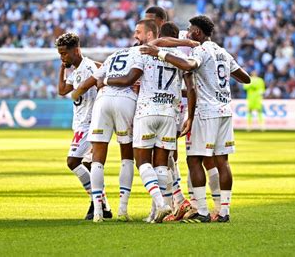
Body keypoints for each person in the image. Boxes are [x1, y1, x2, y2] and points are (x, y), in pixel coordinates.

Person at [139, 15, 251, 223]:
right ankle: (224, 212)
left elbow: (189, 65)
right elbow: (246, 78)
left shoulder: (201, 50)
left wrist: (160, 53)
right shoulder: (223, 52)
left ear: (197, 33)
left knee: (194, 159)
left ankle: (202, 211)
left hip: (205, 112)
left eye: (190, 30)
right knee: (222, 161)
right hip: (225, 111)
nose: (187, 34)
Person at [99, 20, 196, 223]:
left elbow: (132, 77)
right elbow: (189, 86)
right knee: (161, 164)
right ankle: (157, 214)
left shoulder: (144, 53)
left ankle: (161, 205)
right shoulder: (178, 57)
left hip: (146, 111)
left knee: (143, 162)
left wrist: (106, 80)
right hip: (169, 113)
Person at [69, 46, 141, 222]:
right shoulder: (142, 56)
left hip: (103, 102)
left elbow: (89, 82)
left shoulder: (113, 56)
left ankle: (98, 212)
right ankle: (122, 210)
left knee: (97, 160)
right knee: (126, 158)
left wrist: (75, 94)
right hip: (126, 101)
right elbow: (133, 80)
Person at [56, 32, 111, 220]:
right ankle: (102, 205)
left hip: (89, 124)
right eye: (60, 54)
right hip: (81, 123)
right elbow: (62, 90)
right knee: (88, 165)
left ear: (76, 50)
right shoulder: (78, 70)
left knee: (73, 162)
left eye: (64, 53)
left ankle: (99, 204)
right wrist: (62, 67)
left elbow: (102, 77)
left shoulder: (88, 67)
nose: (62, 57)